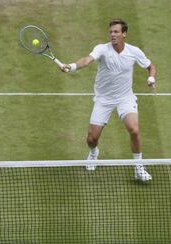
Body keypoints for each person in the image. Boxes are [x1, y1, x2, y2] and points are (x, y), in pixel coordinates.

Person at [62, 19, 156, 181]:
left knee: (134, 129)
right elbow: (87, 60)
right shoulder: (102, 49)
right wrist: (72, 66)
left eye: (116, 32)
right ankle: (93, 153)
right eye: (111, 32)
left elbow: (150, 66)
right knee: (92, 138)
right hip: (104, 99)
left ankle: (138, 167)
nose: (112, 34)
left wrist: (151, 78)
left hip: (125, 98)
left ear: (124, 34)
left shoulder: (134, 51)